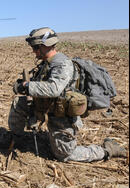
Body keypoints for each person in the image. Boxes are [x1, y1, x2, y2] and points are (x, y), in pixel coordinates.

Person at [8, 27, 126, 162]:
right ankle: (16, 138)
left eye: (36, 47)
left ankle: (107, 150)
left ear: (45, 45)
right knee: (19, 104)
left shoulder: (62, 64)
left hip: (61, 115)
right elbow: (40, 86)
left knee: (65, 155)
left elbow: (54, 89)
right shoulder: (46, 64)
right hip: (45, 107)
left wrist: (28, 86)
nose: (33, 51)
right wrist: (24, 84)